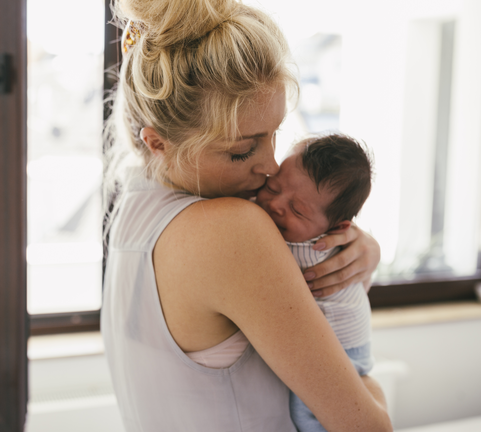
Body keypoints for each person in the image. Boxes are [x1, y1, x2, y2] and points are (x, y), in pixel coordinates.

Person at [101, 0, 392, 430]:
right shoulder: (232, 228)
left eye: (275, 135)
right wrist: (371, 388)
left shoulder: (131, 212)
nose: (271, 166)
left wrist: (351, 247)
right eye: (242, 150)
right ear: (158, 141)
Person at [254, 134, 375, 431]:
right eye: (272, 186)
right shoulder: (312, 229)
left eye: (298, 211)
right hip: (351, 341)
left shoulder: (305, 250)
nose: (276, 205)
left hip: (340, 349)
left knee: (311, 417)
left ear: (337, 228)